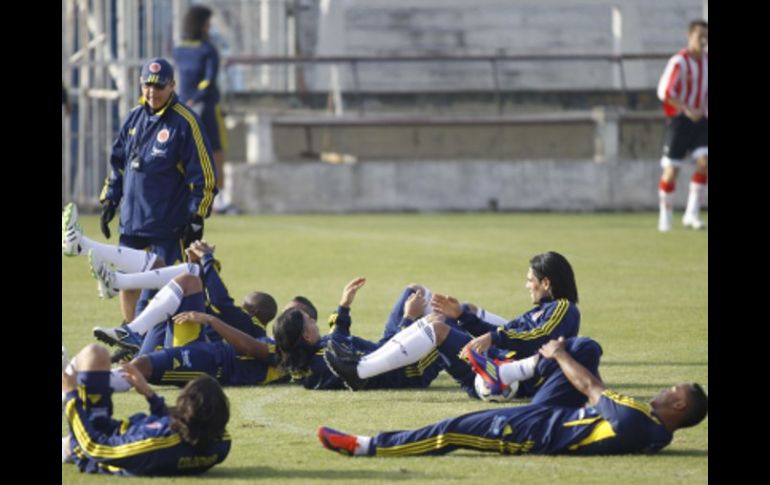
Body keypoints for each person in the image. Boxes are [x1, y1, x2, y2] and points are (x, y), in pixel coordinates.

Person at [317, 336, 708, 457]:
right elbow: (593, 399)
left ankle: (366, 447)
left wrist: (558, 354)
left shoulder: (638, 418)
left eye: (673, 390)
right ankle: (502, 374)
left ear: (679, 406)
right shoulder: (656, 433)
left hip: (535, 431)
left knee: (452, 431)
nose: (665, 387)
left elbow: (593, 390)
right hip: (557, 414)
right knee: (585, 347)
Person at [324, 251, 580, 399]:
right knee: (436, 321)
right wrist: (461, 315)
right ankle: (360, 367)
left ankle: (359, 371)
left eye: (530, 280)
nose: (527, 286)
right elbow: (500, 332)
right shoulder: (539, 311)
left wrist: (494, 338)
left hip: (509, 377)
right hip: (492, 364)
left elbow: (540, 338)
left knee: (437, 329)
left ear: (546, 283)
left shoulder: (564, 309)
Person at [94, 56, 218, 322]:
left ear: (172, 85)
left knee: (156, 289)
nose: (153, 92)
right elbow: (118, 164)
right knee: (127, 283)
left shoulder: (185, 122)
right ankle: (130, 339)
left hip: (168, 225)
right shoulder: (133, 118)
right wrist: (109, 201)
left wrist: (197, 216)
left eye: (160, 86)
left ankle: (145, 345)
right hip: (132, 222)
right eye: (147, 85)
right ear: (140, 84)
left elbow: (204, 176)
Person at [62, 343, 231, 475]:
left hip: (93, 442)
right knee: (98, 354)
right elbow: (185, 427)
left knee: (93, 354)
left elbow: (95, 448)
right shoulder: (219, 440)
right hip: (118, 431)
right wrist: (149, 394)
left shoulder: (156, 444)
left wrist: (71, 396)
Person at [273, 278, 444, 390]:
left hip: (387, 345)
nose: (314, 322)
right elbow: (386, 357)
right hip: (407, 369)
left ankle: (465, 318)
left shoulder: (309, 355)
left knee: (413, 290)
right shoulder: (325, 360)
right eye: (310, 321)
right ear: (307, 336)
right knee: (441, 324)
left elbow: (337, 335)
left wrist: (344, 304)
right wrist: (408, 318)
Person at [173, 5, 236, 214]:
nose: (209, 27)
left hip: (196, 104)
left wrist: (190, 98)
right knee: (210, 151)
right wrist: (194, 98)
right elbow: (208, 79)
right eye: (208, 23)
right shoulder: (204, 49)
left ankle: (220, 197)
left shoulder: (181, 48)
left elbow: (207, 79)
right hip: (200, 105)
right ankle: (196, 195)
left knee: (213, 150)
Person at [656, 20, 708, 232]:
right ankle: (665, 215)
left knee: (704, 163)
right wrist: (687, 109)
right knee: (672, 171)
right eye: (700, 37)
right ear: (690, 37)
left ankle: (691, 214)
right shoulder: (679, 61)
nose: (703, 41)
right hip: (679, 120)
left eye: (706, 37)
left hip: (701, 121)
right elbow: (665, 92)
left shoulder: (707, 61)